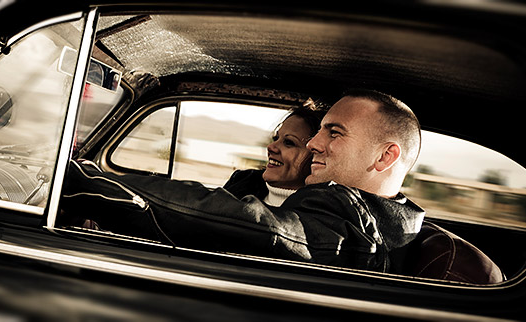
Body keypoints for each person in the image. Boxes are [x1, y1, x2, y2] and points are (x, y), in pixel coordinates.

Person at [61, 89, 425, 273]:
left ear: (385, 157)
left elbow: (257, 226)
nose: (315, 143)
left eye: (334, 133)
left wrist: (86, 184)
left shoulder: (358, 229)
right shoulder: (357, 211)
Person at [224, 102, 326, 206]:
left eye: (289, 142)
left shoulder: (320, 213)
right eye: (276, 138)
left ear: (316, 159)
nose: (271, 147)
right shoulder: (242, 181)